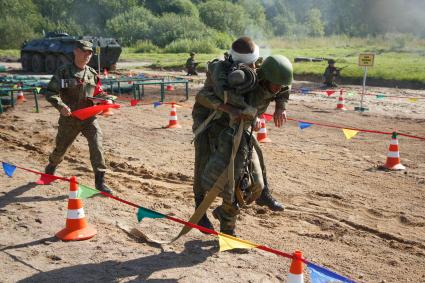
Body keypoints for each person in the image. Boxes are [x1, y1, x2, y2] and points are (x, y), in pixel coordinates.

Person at [199, 55, 293, 236]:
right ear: (264, 77)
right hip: (227, 134)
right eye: (275, 84)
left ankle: (226, 211)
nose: (278, 89)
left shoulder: (276, 82)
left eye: (280, 85)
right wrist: (242, 112)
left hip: (246, 134)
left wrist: (281, 106)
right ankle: (228, 231)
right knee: (232, 185)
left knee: (257, 185)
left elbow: (284, 86)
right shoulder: (244, 83)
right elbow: (204, 96)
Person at [42, 40, 113, 194]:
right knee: (61, 149)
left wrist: (106, 99)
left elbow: (98, 93)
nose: (87, 55)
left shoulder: (92, 73)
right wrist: (60, 106)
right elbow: (50, 92)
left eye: (90, 52)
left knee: (97, 144)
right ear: (76, 51)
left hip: (89, 117)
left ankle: (100, 182)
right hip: (70, 118)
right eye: (84, 51)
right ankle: (52, 165)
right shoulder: (63, 71)